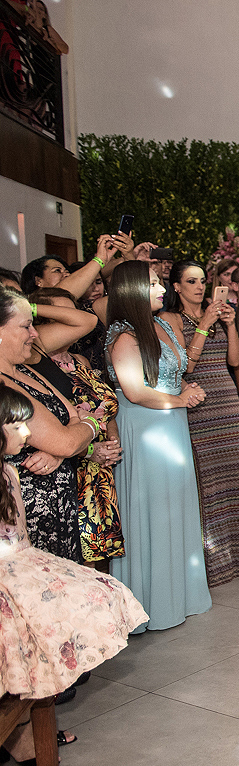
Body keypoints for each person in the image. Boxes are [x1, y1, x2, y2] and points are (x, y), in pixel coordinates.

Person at [0, 384, 147, 705]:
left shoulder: (9, 472)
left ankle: (39, 706)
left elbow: (21, 535)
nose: (27, 432)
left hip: (23, 560)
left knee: (98, 592)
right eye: (16, 426)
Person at [106, 260, 211, 631]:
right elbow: (135, 391)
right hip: (144, 428)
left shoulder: (163, 324)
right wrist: (179, 399)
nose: (161, 289)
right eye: (152, 284)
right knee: (150, 511)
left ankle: (177, 597)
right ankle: (147, 604)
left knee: (174, 508)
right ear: (132, 290)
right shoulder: (123, 335)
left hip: (171, 424)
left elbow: (172, 376)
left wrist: (184, 390)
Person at [160, 261, 239, 585]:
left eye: (201, 281)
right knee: (210, 485)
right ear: (176, 286)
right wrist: (205, 324)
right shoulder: (169, 319)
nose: (198, 287)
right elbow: (184, 366)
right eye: (191, 281)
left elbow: (234, 360)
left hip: (227, 402)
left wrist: (230, 325)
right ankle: (214, 564)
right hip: (197, 404)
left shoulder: (217, 313)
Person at [28, 288, 123, 572]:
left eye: (72, 311)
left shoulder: (80, 361)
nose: (71, 319)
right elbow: (54, 425)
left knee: (98, 554)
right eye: (62, 314)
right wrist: (90, 449)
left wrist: (112, 437)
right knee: (75, 560)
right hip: (73, 462)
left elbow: (103, 405)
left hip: (99, 468)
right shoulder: (36, 361)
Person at [0, 290, 98, 563]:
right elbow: (68, 439)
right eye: (25, 326)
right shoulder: (4, 385)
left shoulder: (24, 369)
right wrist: (89, 426)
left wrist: (62, 449)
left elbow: (72, 420)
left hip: (60, 502)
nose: (34, 334)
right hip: (28, 509)